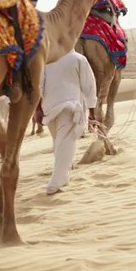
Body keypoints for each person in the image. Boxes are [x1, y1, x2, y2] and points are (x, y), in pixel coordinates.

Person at [40, 49, 97, 195]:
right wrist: (92, 111)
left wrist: (37, 109)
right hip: (70, 106)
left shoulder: (46, 60)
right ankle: (54, 185)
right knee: (66, 144)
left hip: (49, 107)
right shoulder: (79, 59)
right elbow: (89, 86)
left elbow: (39, 86)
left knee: (58, 142)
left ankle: (63, 178)